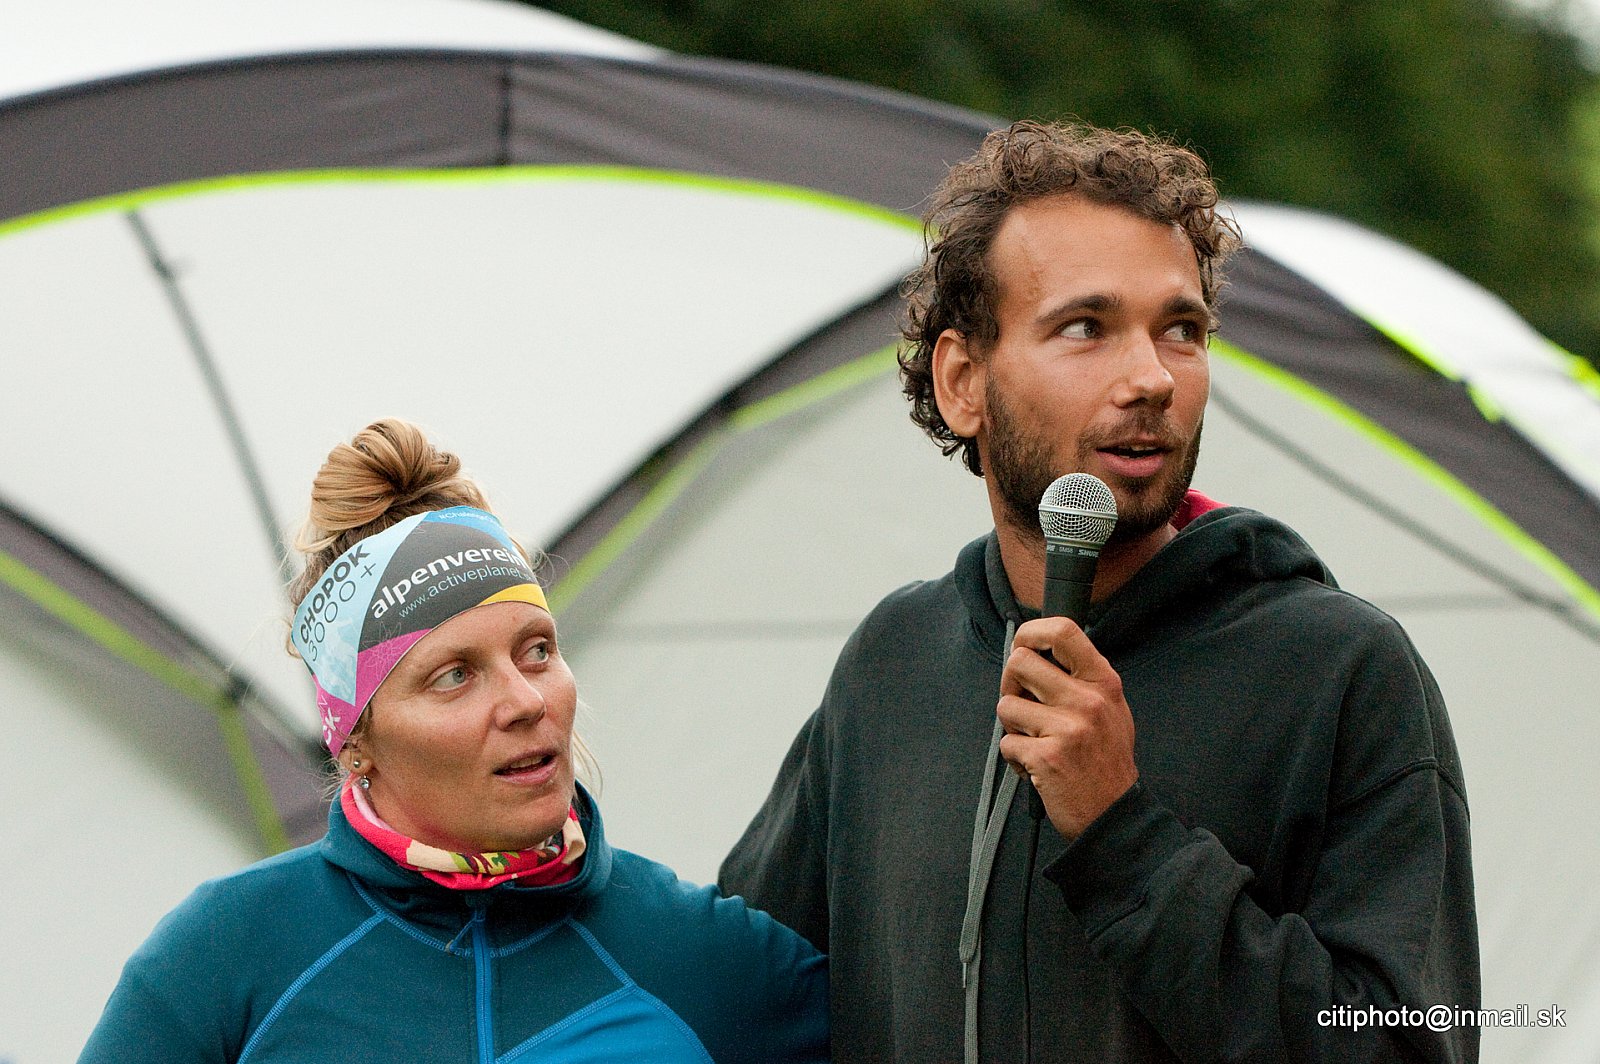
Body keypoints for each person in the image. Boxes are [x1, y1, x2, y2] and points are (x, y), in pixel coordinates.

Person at [720, 121, 1479, 1063]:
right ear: (963, 382)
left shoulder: (1341, 672)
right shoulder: (895, 661)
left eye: (1182, 331)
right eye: (1086, 328)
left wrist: (1123, 837)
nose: (1152, 378)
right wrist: (562, 853)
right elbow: (740, 990)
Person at [81, 418, 828, 1064]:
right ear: (357, 738)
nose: (526, 701)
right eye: (454, 676)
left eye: (537, 650)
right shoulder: (225, 956)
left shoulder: (703, 957)